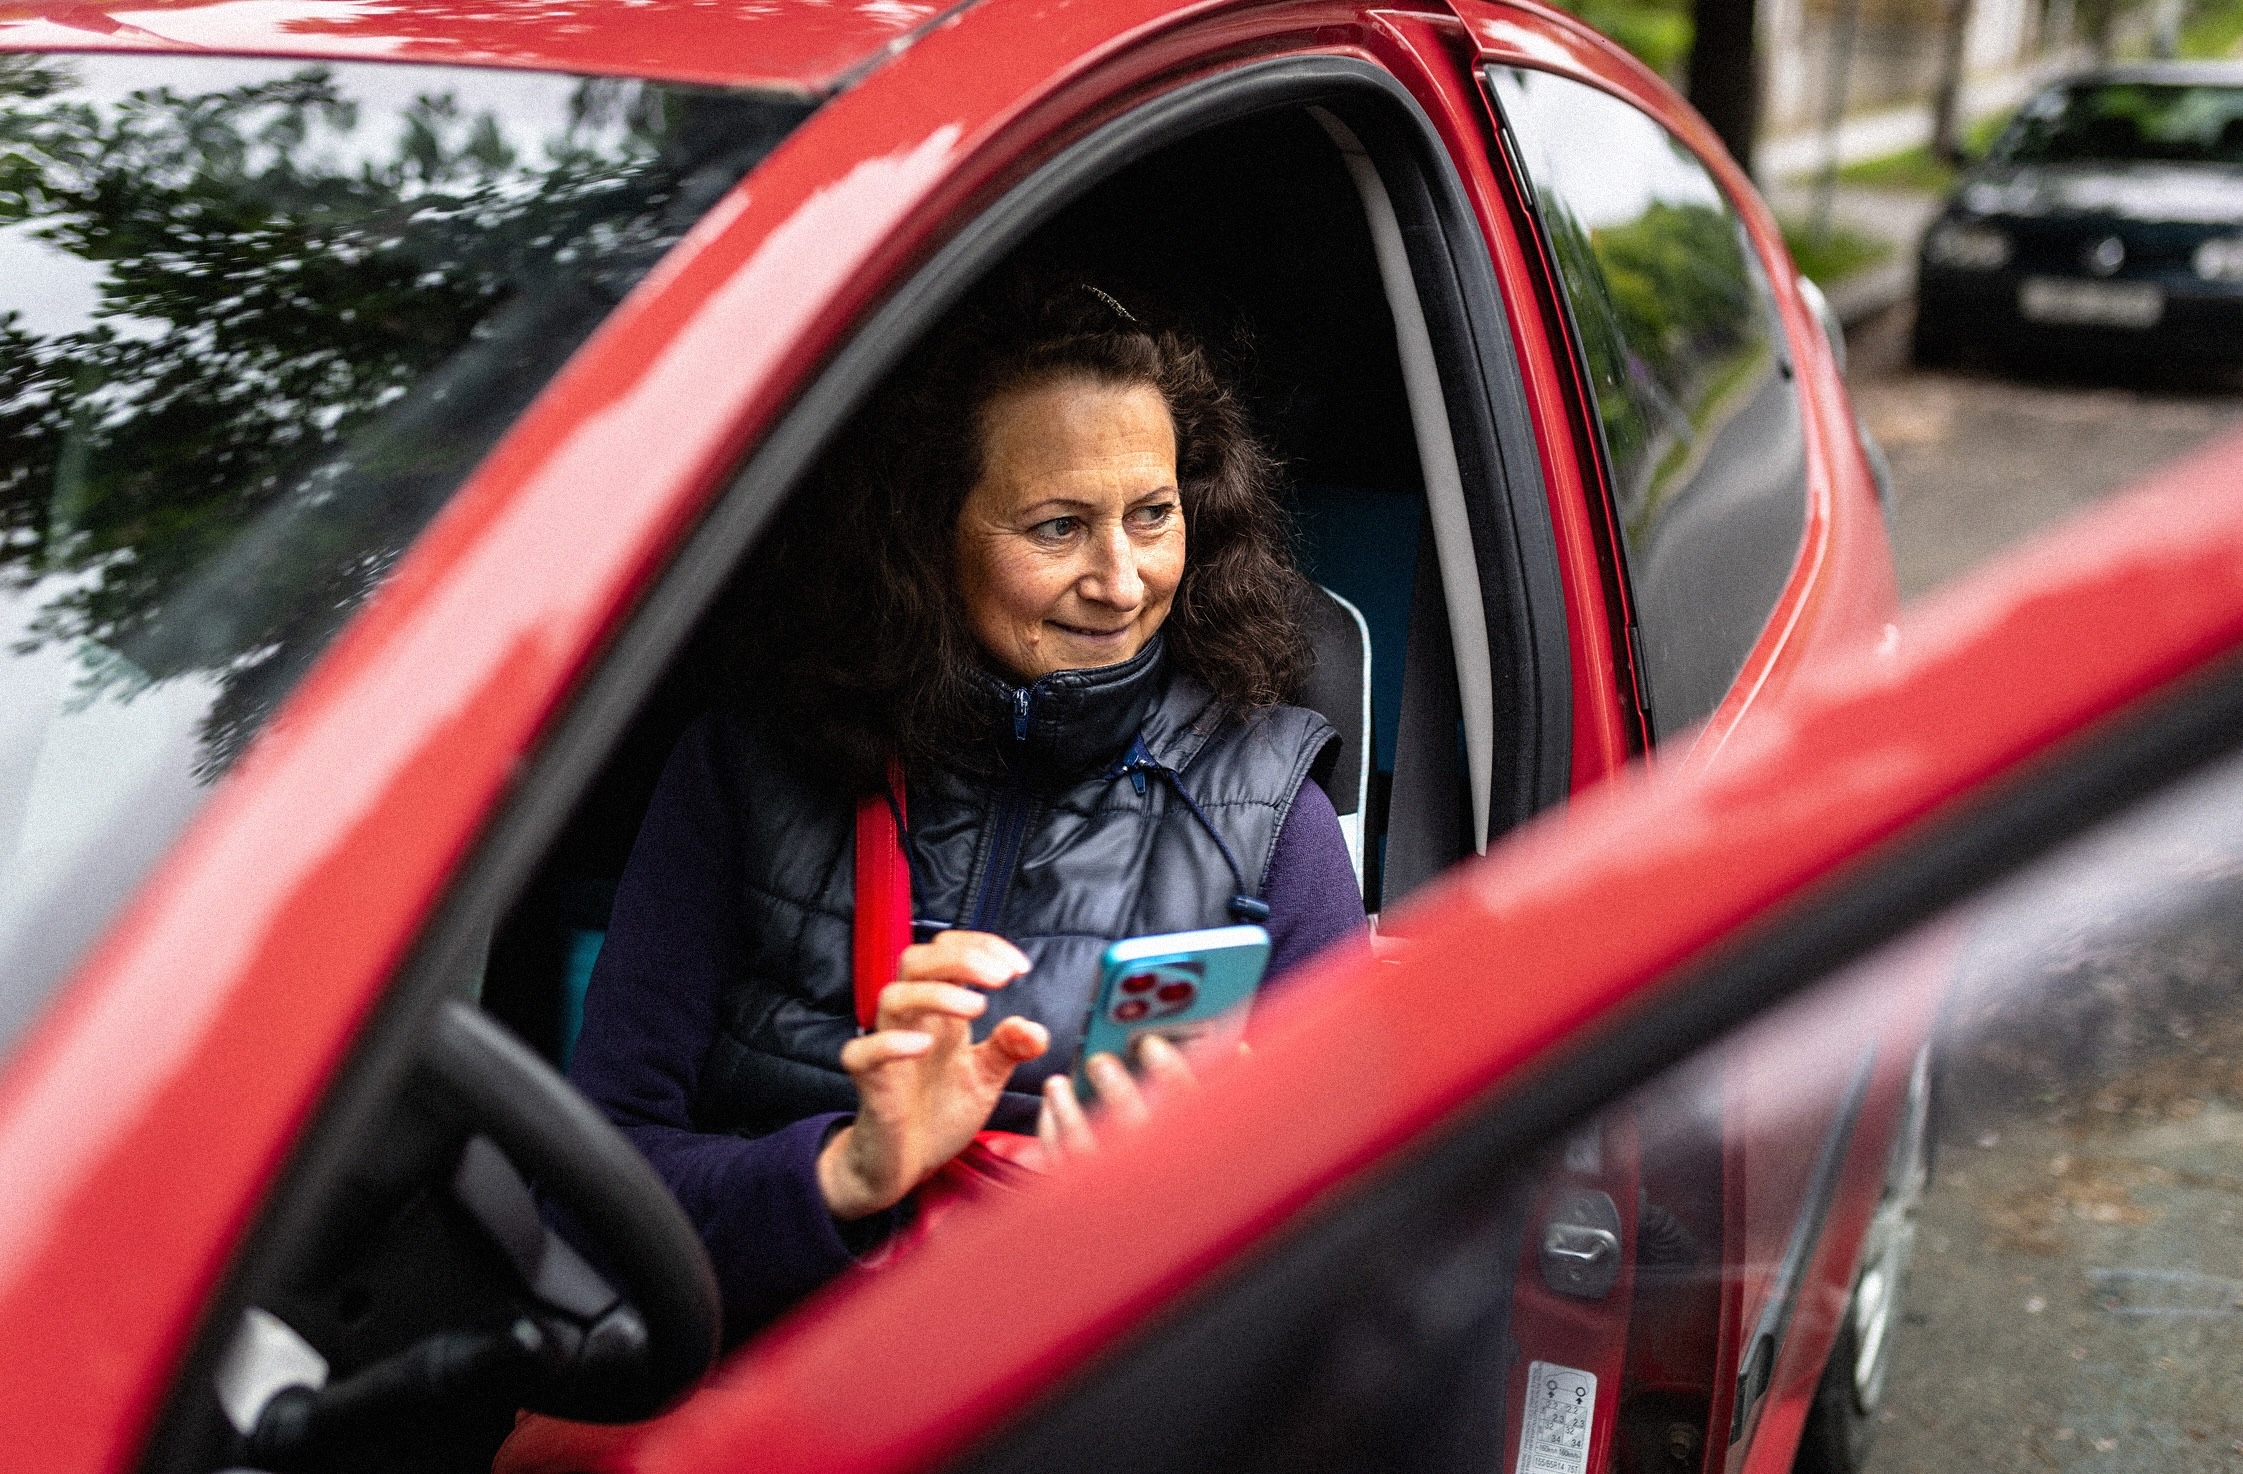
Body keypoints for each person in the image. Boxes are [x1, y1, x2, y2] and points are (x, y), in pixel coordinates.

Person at [568, 273, 1367, 1340]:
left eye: (1152, 515)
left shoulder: (1271, 813)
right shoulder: (745, 768)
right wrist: (848, 1171)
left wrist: (1185, 1211)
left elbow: (1362, 1259)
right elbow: (590, 1199)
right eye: (1057, 527)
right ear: (925, 535)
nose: (1121, 581)